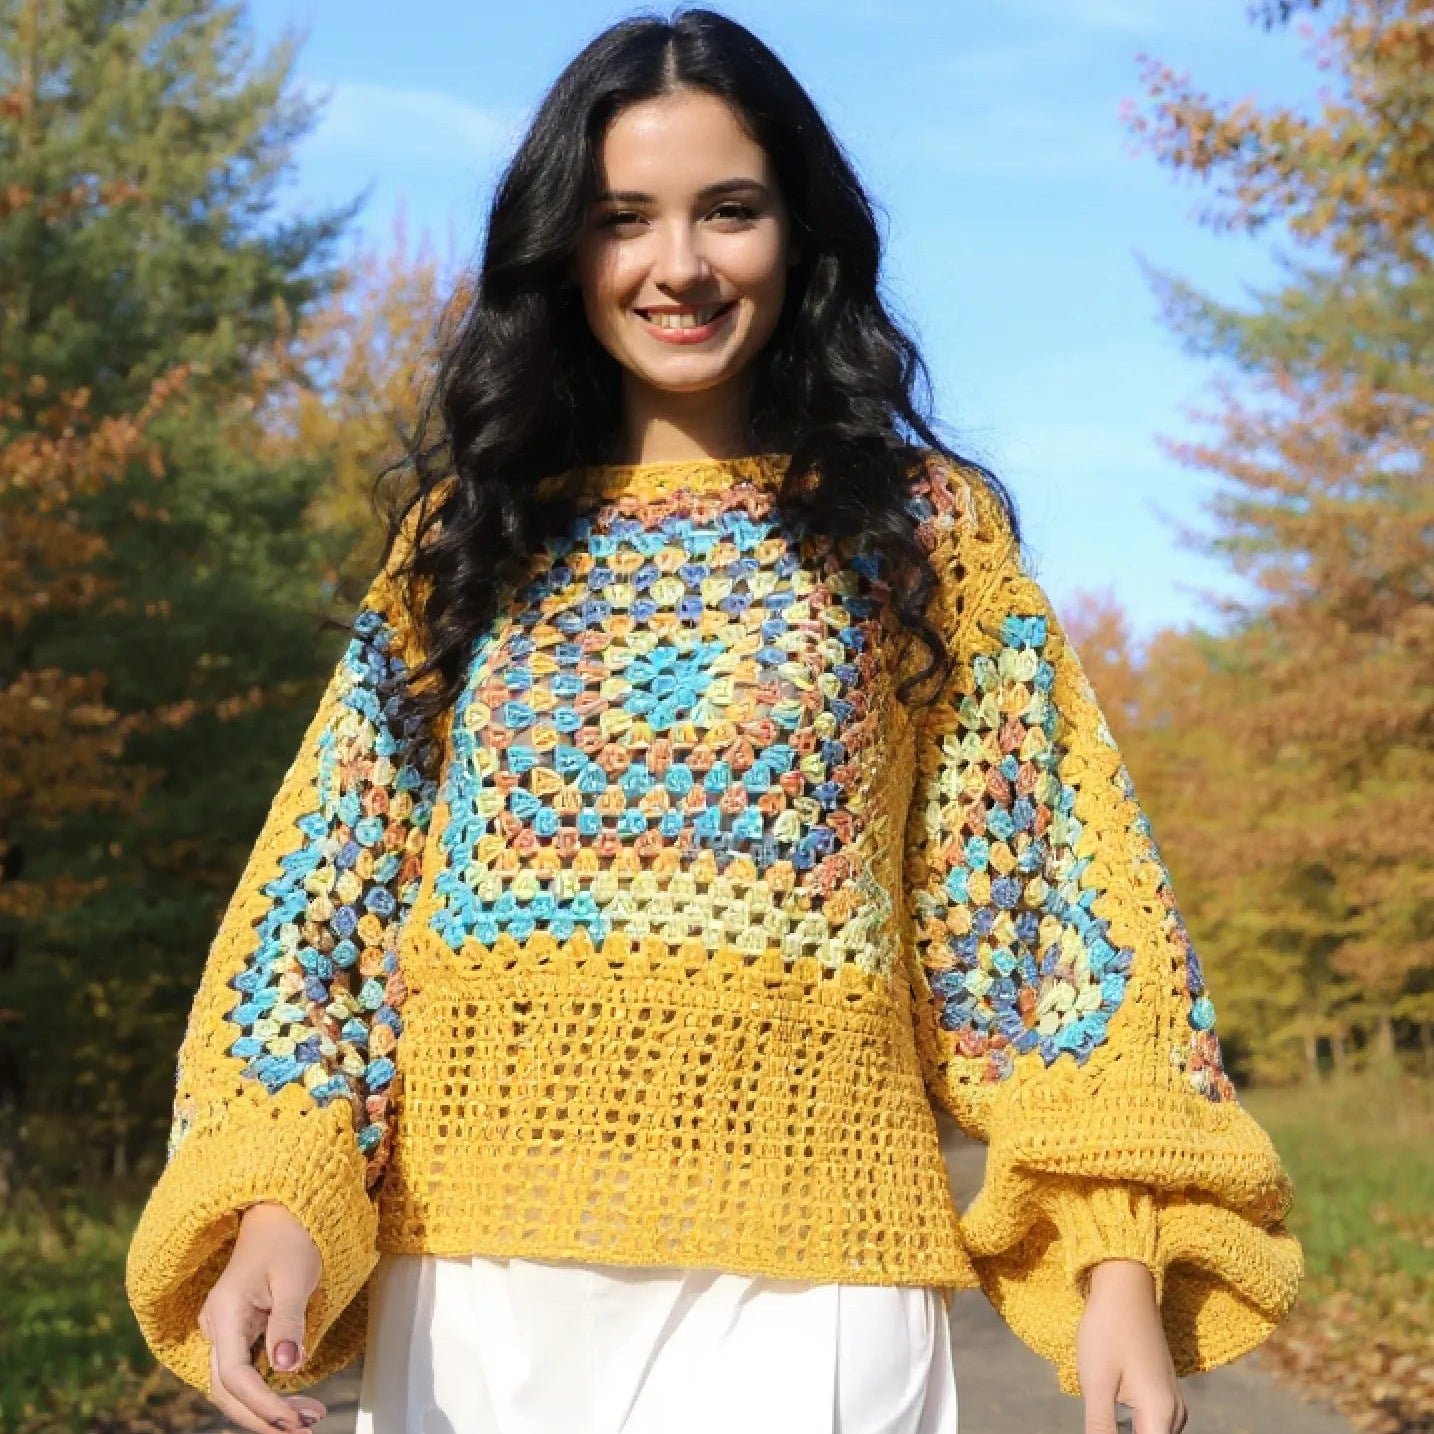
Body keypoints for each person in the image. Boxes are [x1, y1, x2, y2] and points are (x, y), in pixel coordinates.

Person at [124, 9, 1303, 1433]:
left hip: (816, 1302)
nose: (677, 264)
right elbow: (328, 908)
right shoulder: (466, 544)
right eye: (624, 218)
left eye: (726, 210)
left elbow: (1049, 902)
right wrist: (277, 1191)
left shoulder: (920, 538)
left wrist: (1113, 1248)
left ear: (797, 232)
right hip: (479, 1298)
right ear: (565, 246)